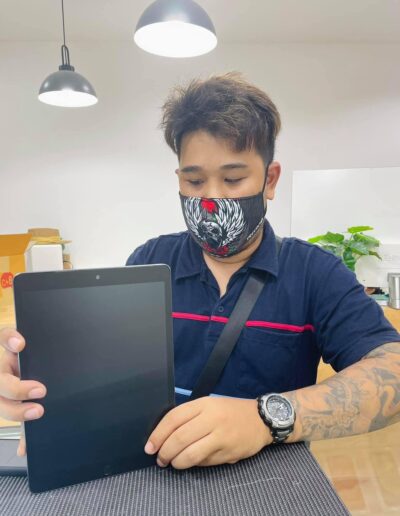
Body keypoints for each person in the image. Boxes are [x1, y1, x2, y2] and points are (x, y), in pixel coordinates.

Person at [1, 73, 400, 470]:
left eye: (233, 178)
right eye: (194, 180)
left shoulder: (315, 273)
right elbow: (102, 368)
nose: (211, 197)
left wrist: (264, 419)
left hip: (273, 487)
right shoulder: (150, 260)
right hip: (151, 474)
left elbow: (393, 372)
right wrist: (42, 374)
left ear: (270, 179)